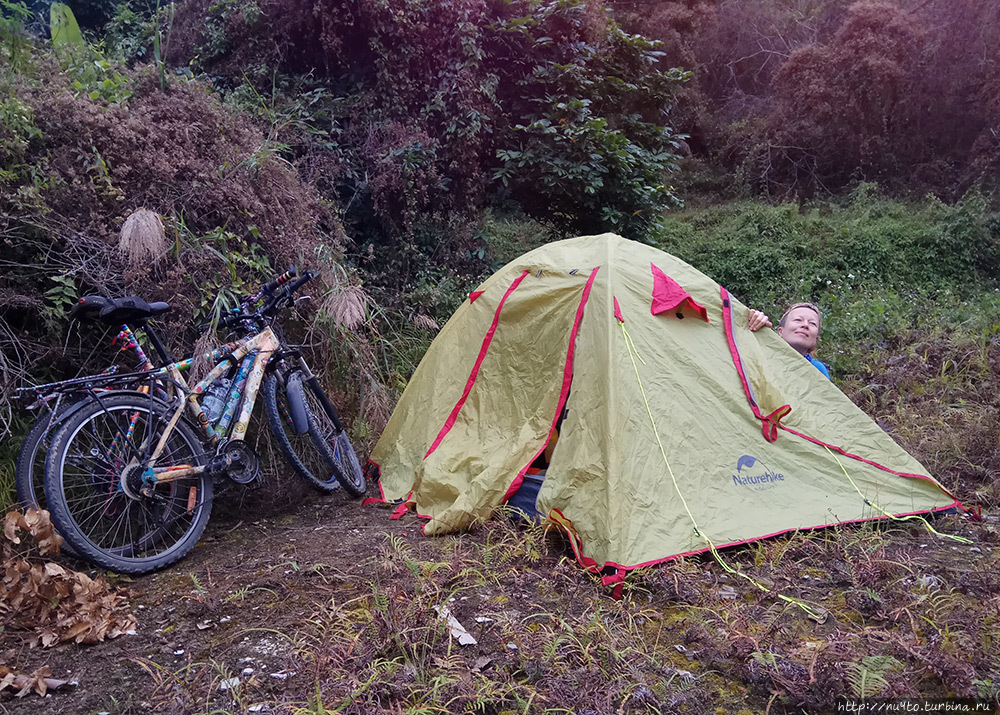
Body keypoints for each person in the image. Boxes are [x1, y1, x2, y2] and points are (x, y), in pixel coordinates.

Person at [748, 303, 831, 379]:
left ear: (815, 339)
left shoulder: (818, 370)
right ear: (780, 331)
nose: (805, 325)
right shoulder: (762, 354)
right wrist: (750, 321)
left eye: (812, 323)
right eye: (798, 320)